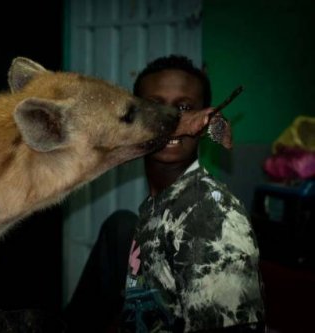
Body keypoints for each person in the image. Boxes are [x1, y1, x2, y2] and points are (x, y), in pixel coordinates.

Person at [63, 55, 265, 333]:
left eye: (184, 107)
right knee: (119, 225)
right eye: (154, 106)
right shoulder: (160, 205)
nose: (170, 119)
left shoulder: (211, 220)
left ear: (206, 119)